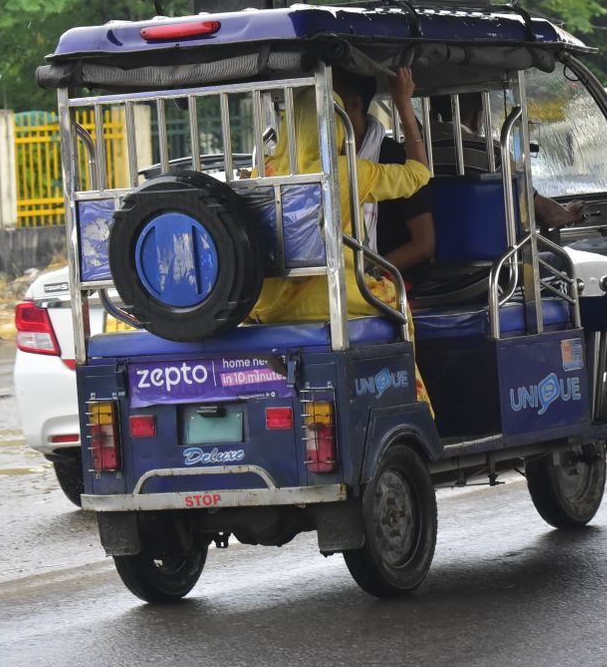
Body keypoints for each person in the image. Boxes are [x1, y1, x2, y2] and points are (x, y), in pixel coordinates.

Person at [248, 65, 433, 412]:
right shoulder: (348, 171)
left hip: (269, 306)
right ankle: (413, 404)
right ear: (334, 120)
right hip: (340, 298)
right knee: (399, 305)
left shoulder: (265, 172)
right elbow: (420, 174)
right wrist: (403, 104)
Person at [331, 68, 435, 288]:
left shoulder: (391, 158)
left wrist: (369, 274)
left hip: (390, 282)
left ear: (354, 105)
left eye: (328, 102)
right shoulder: (324, 159)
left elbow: (424, 243)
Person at [430, 91, 586, 231]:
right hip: (490, 254)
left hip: (424, 256)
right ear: (478, 118)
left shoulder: (409, 153)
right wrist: (570, 213)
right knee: (557, 262)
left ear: (431, 115)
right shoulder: (491, 151)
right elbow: (540, 213)